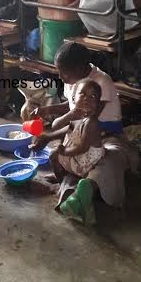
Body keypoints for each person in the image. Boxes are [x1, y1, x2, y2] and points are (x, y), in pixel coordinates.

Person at [30, 42, 139, 224]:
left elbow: (85, 124)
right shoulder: (74, 80)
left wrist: (49, 136)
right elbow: (70, 106)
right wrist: (45, 111)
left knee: (109, 159)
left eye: (63, 72)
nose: (60, 77)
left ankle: (84, 188)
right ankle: (79, 189)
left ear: (81, 69)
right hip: (80, 132)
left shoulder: (99, 83)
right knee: (60, 151)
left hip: (107, 136)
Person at [48, 80, 105, 224]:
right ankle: (63, 181)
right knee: (54, 153)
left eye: (93, 97)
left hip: (87, 160)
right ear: (74, 99)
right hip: (76, 155)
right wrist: (70, 115)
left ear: (98, 104)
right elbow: (55, 126)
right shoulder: (75, 116)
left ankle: (76, 187)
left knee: (55, 154)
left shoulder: (91, 122)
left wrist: (64, 151)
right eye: (82, 94)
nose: (87, 98)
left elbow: (83, 148)